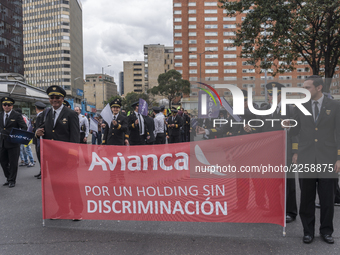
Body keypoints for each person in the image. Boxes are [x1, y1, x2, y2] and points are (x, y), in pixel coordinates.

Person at [289, 75, 340, 244]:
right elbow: (295, 132)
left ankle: (326, 231)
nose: (304, 90)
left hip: (328, 158)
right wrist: (287, 125)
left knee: (327, 199)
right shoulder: (300, 106)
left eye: (307, 87)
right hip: (306, 158)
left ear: (319, 88)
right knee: (306, 198)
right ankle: (308, 231)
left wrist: (339, 157)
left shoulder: (335, 105)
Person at [35, 85, 82, 220]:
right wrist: (37, 133)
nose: (54, 100)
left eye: (57, 98)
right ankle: (63, 210)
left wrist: (72, 158)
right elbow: (45, 129)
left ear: (62, 99)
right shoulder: (47, 113)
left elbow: (74, 137)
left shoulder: (71, 114)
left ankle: (77, 211)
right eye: (52, 97)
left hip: (67, 158)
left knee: (72, 185)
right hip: (52, 157)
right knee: (56, 185)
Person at [258, 82, 298, 223]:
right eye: (269, 94)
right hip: (270, 153)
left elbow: (296, 133)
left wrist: (295, 151)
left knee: (288, 183)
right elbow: (261, 130)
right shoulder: (265, 110)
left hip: (285, 152)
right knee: (271, 183)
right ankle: (274, 209)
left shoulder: (291, 109)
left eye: (273, 94)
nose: (269, 97)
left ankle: (290, 212)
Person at [0, 97, 27, 188]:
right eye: (4, 105)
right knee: (3, 162)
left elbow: (24, 127)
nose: (6, 106)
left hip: (13, 143)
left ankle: (12, 180)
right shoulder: (0, 115)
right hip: (2, 143)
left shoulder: (17, 115)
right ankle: (8, 177)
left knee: (13, 162)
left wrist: (18, 137)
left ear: (12, 106)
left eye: (9, 105)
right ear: (2, 105)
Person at [32, 101, 47, 179]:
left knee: (41, 156)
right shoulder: (41, 115)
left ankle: (43, 172)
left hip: (40, 139)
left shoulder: (40, 116)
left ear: (36, 108)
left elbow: (39, 127)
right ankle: (41, 171)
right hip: (38, 138)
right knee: (39, 156)